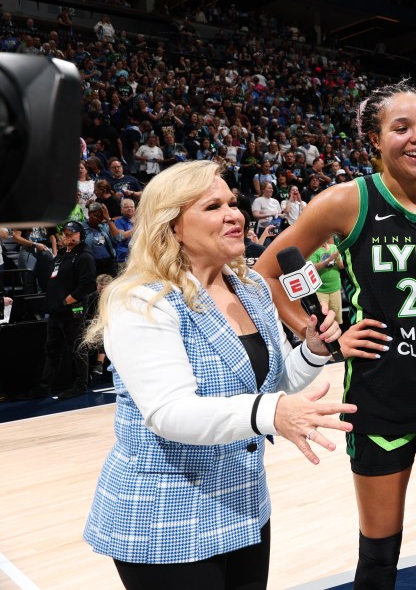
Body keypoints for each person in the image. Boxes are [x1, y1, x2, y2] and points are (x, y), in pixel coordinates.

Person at [254, 79, 416, 589]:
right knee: (378, 555)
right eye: (400, 128)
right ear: (374, 139)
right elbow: (265, 274)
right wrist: (324, 338)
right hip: (379, 393)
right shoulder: (342, 203)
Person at [80, 160, 356, 589]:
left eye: (233, 202)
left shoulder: (252, 288)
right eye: (213, 206)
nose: (234, 214)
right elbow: (170, 413)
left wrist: (314, 352)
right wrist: (274, 412)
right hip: (167, 518)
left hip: (244, 505)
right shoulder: (141, 302)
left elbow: (273, 386)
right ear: (172, 226)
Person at [19, 220, 96, 399]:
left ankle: (80, 385)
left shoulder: (84, 256)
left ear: (80, 235)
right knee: (51, 349)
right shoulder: (61, 254)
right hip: (55, 312)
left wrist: (65, 302)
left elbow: (88, 285)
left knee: (77, 347)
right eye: (66, 233)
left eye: (72, 233)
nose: (67, 236)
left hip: (72, 310)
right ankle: (45, 387)